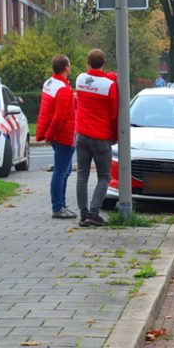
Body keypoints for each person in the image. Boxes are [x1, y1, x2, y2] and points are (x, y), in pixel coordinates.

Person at [74, 49, 118, 227]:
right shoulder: (109, 85)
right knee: (104, 176)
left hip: (82, 134)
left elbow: (93, 79)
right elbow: (114, 114)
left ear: (87, 62)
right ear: (104, 62)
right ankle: (94, 213)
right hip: (101, 135)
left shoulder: (79, 79)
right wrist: (115, 136)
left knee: (82, 175)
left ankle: (83, 214)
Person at [36, 54, 78, 218]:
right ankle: (58, 207)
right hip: (64, 135)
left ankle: (61, 205)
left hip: (55, 135)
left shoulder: (49, 83)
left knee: (64, 170)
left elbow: (47, 109)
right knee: (61, 172)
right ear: (66, 68)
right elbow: (60, 116)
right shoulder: (63, 88)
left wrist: (47, 134)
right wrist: (51, 134)